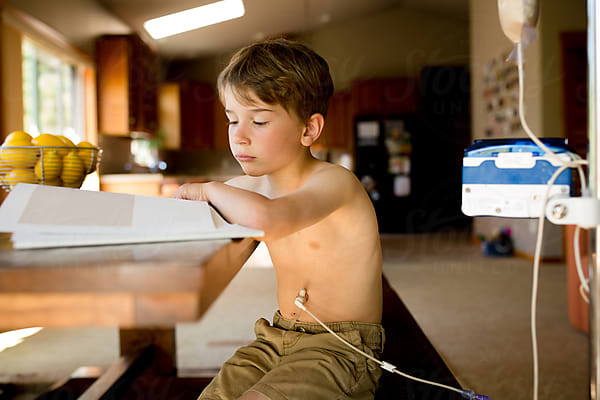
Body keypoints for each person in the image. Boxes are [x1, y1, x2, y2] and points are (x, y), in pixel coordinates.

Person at [173, 38, 384, 400]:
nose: (239, 135)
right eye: (232, 120)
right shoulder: (252, 186)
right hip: (275, 336)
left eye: (258, 121)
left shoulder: (335, 183)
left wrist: (206, 190)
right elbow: (182, 217)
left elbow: (267, 218)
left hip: (342, 348)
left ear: (309, 130)